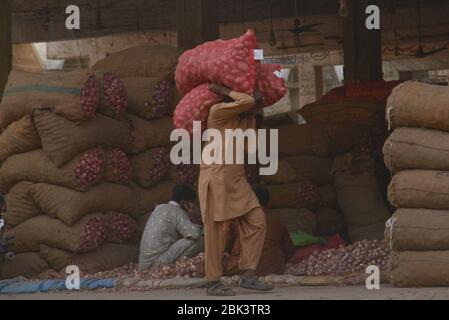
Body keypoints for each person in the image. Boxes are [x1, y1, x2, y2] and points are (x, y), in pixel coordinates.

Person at [198, 84, 273, 296]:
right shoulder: (218, 113)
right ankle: (212, 282)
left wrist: (253, 119)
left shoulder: (245, 119)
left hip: (237, 182)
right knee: (217, 233)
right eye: (254, 102)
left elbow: (251, 149)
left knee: (257, 220)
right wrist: (225, 90)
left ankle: (248, 275)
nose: (256, 105)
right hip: (217, 179)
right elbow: (246, 101)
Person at [224, 187, 295, 277]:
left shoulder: (239, 221)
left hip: (241, 269)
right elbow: (289, 251)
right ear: (268, 203)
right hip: (273, 268)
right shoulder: (278, 222)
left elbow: (225, 247)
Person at [138, 185, 204, 272]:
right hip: (156, 264)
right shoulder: (177, 211)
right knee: (199, 240)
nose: (194, 206)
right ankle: (174, 269)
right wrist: (194, 219)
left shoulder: (159, 208)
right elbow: (195, 234)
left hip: (143, 265)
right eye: (192, 203)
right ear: (184, 203)